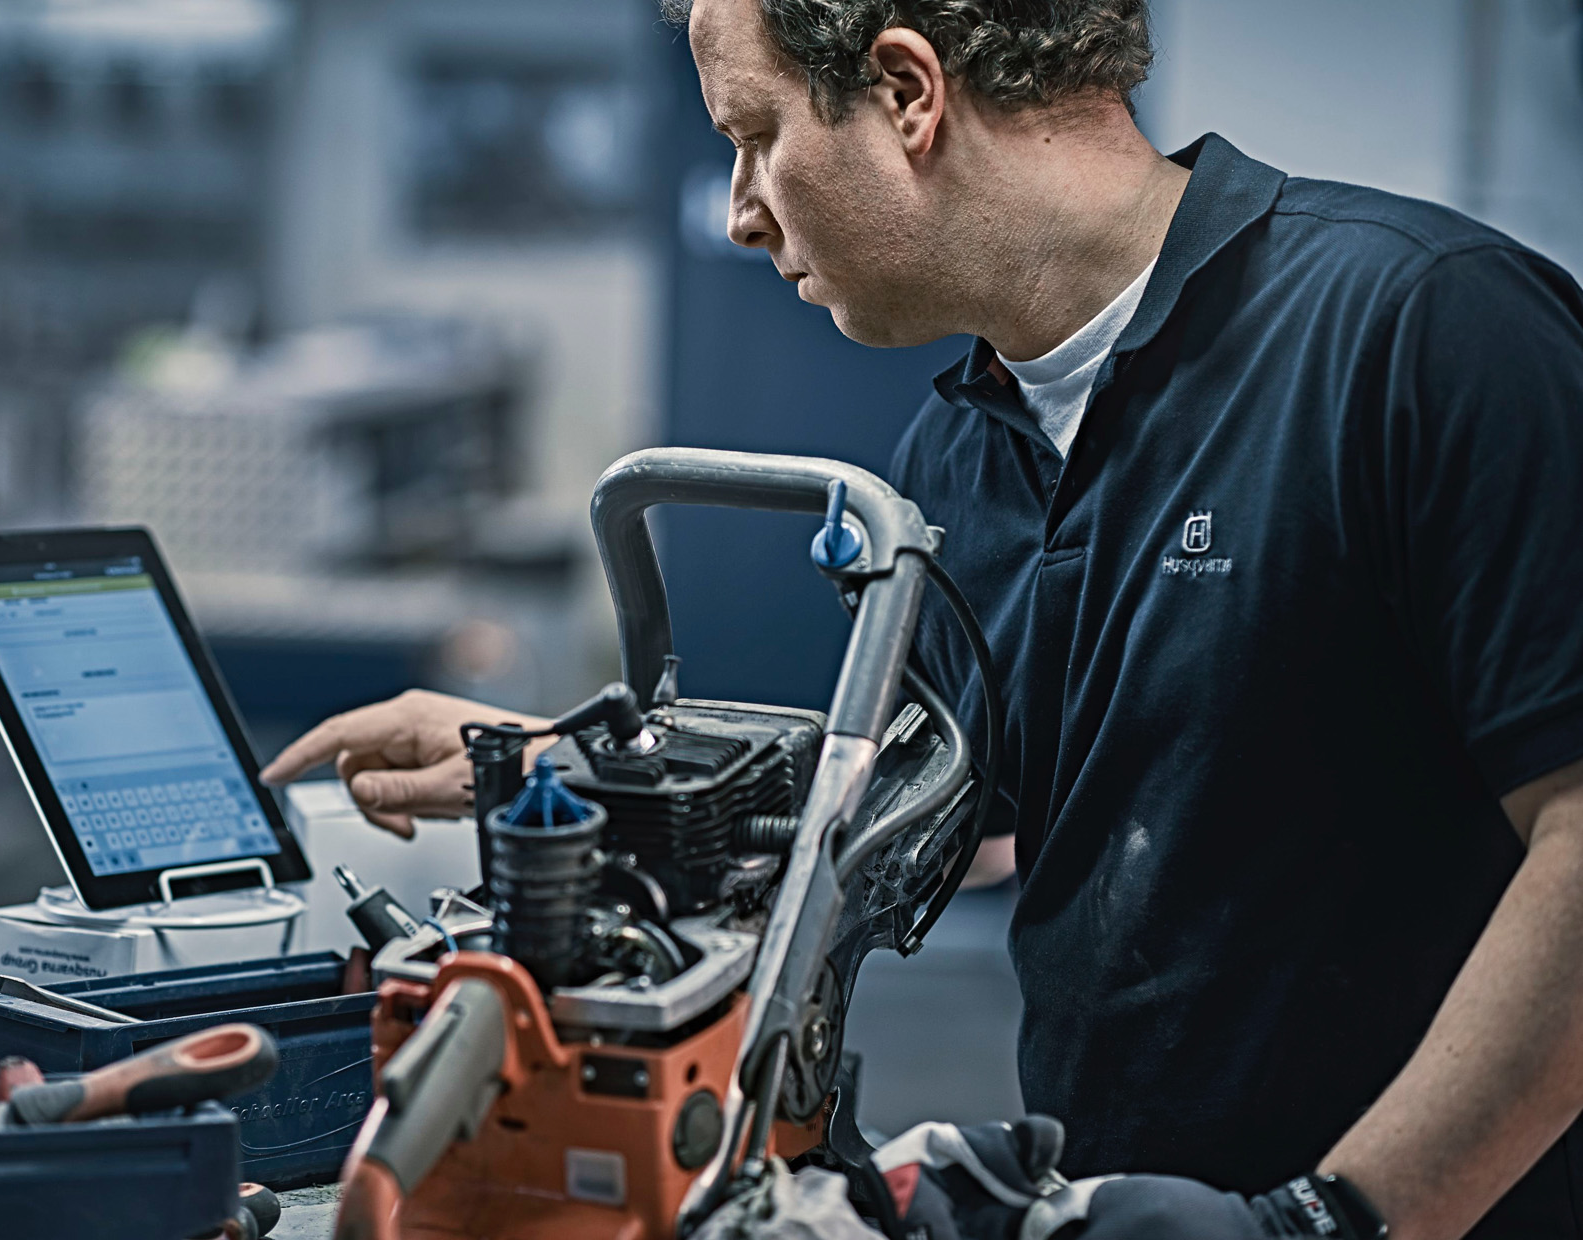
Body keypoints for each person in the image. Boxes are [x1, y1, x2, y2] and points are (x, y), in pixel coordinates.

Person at [261, 1, 1583, 1236]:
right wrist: (567, 768)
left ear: (906, 90)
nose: (740, 211)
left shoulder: (1424, 331)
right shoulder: (961, 452)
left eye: (756, 135)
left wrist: (1334, 1219)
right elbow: (918, 820)